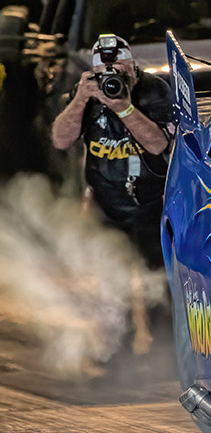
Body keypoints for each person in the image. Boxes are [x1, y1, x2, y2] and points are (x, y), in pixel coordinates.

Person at [51, 34, 173, 269]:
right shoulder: (87, 93)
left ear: (132, 66)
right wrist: (80, 100)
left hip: (150, 204)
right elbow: (60, 141)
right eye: (103, 72)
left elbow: (158, 145)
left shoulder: (153, 90)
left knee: (155, 274)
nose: (112, 78)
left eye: (118, 69)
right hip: (105, 203)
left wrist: (125, 109)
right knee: (108, 275)